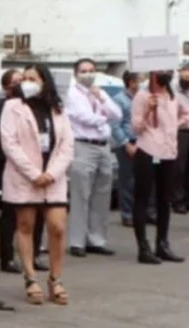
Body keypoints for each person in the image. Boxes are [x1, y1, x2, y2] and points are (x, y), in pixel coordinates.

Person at [0, 64, 73, 306]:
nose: (27, 82)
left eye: (33, 78)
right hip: (24, 176)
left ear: (45, 82)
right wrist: (33, 173)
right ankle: (30, 277)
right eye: (25, 78)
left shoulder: (58, 109)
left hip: (53, 178)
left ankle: (55, 277)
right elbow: (9, 143)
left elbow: (67, 145)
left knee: (57, 226)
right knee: (26, 225)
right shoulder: (12, 107)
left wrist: (51, 173)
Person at [64, 58, 121, 258]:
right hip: (83, 146)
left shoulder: (99, 92)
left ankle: (96, 240)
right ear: (76, 74)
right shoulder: (71, 94)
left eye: (91, 70)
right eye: (83, 71)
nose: (88, 74)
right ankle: (77, 241)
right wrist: (105, 117)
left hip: (103, 147)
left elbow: (118, 113)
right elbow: (84, 117)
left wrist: (102, 100)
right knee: (81, 195)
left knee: (102, 195)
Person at [131, 70, 189, 264]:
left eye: (169, 71)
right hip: (148, 151)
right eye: (162, 71)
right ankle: (143, 247)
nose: (167, 74)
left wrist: (173, 126)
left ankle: (162, 244)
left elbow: (186, 114)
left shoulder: (174, 96)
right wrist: (148, 109)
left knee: (164, 199)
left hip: (168, 152)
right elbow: (136, 127)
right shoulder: (142, 96)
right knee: (143, 197)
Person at [111, 71, 145, 227]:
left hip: (144, 142)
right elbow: (115, 125)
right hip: (127, 143)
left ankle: (145, 213)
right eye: (140, 80)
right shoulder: (119, 100)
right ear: (131, 82)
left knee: (144, 180)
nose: (143, 83)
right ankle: (127, 214)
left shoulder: (144, 98)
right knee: (128, 181)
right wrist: (126, 144)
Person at [172, 62, 189, 213]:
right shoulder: (175, 93)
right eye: (183, 76)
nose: (186, 79)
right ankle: (178, 200)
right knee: (179, 168)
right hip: (181, 132)